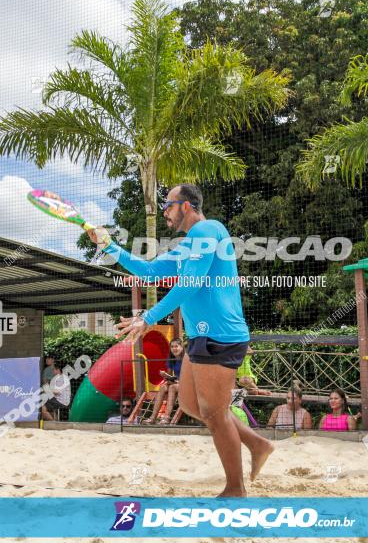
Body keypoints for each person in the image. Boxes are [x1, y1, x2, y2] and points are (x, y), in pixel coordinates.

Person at [90, 183, 274, 497]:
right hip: (202, 336)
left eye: (168, 205)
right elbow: (148, 272)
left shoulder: (208, 231)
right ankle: (257, 444)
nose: (164, 212)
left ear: (186, 205)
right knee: (191, 404)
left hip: (221, 337)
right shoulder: (188, 246)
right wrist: (109, 245)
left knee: (215, 415)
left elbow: (190, 283)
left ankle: (235, 488)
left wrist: (148, 318)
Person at [144, 337, 184, 424]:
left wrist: (177, 381)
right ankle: (152, 418)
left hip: (186, 383)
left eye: (176, 346)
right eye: (172, 347)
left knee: (172, 387)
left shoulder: (186, 359)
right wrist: (166, 376)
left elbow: (189, 376)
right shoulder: (171, 359)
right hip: (177, 382)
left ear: (182, 347)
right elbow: (169, 376)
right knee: (163, 387)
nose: (174, 349)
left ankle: (166, 418)